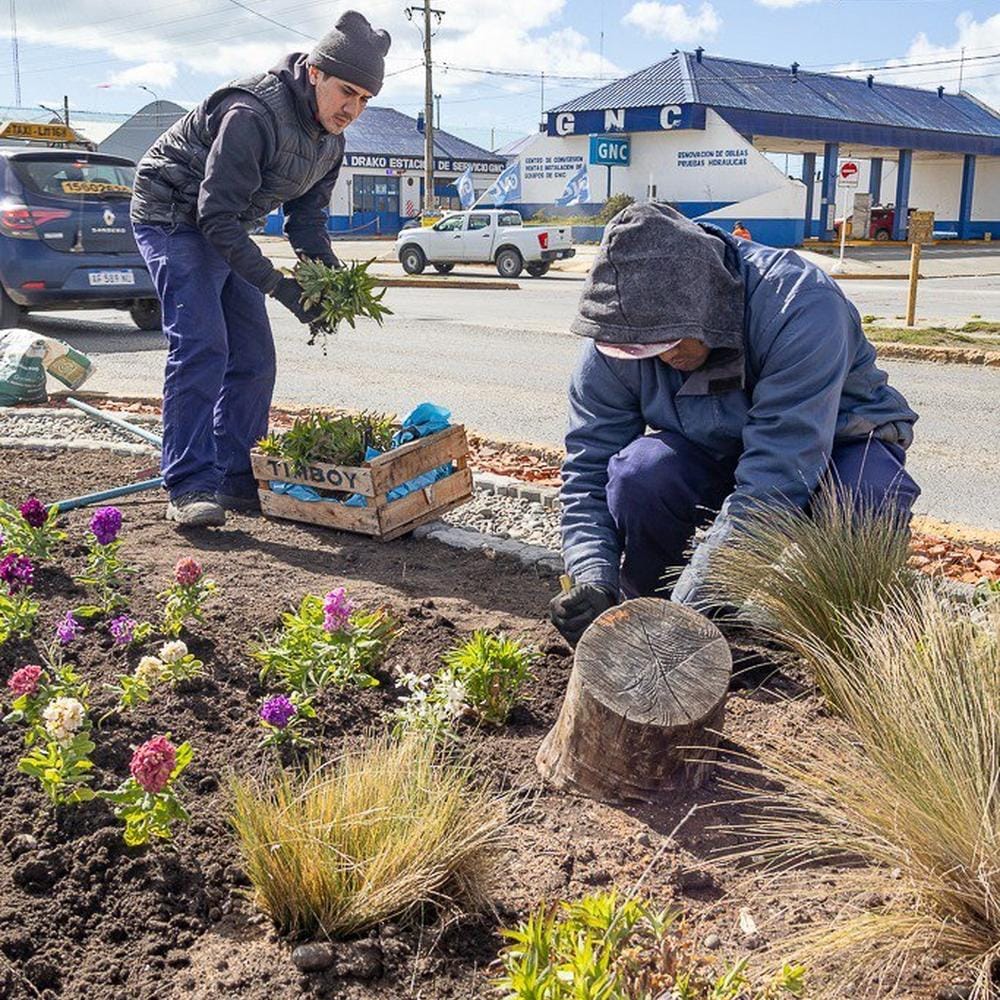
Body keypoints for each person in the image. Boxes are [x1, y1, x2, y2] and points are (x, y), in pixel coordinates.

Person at [549, 202, 919, 645]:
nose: (664, 359)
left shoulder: (800, 305)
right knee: (640, 474)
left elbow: (779, 477)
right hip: (713, 445)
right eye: (645, 349)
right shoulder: (618, 336)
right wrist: (593, 574)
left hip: (833, 446)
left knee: (869, 496)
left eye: (670, 342)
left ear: (709, 306)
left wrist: (689, 611)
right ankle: (645, 617)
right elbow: (588, 466)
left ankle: (849, 643)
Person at [130, 11, 391, 527]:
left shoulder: (330, 141)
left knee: (253, 357)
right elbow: (216, 217)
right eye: (347, 92)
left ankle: (233, 478)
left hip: (220, 227)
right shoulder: (252, 113)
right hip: (172, 216)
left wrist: (328, 284)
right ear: (314, 72)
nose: (353, 109)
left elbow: (308, 224)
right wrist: (282, 289)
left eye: (365, 99)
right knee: (203, 345)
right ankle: (188, 486)